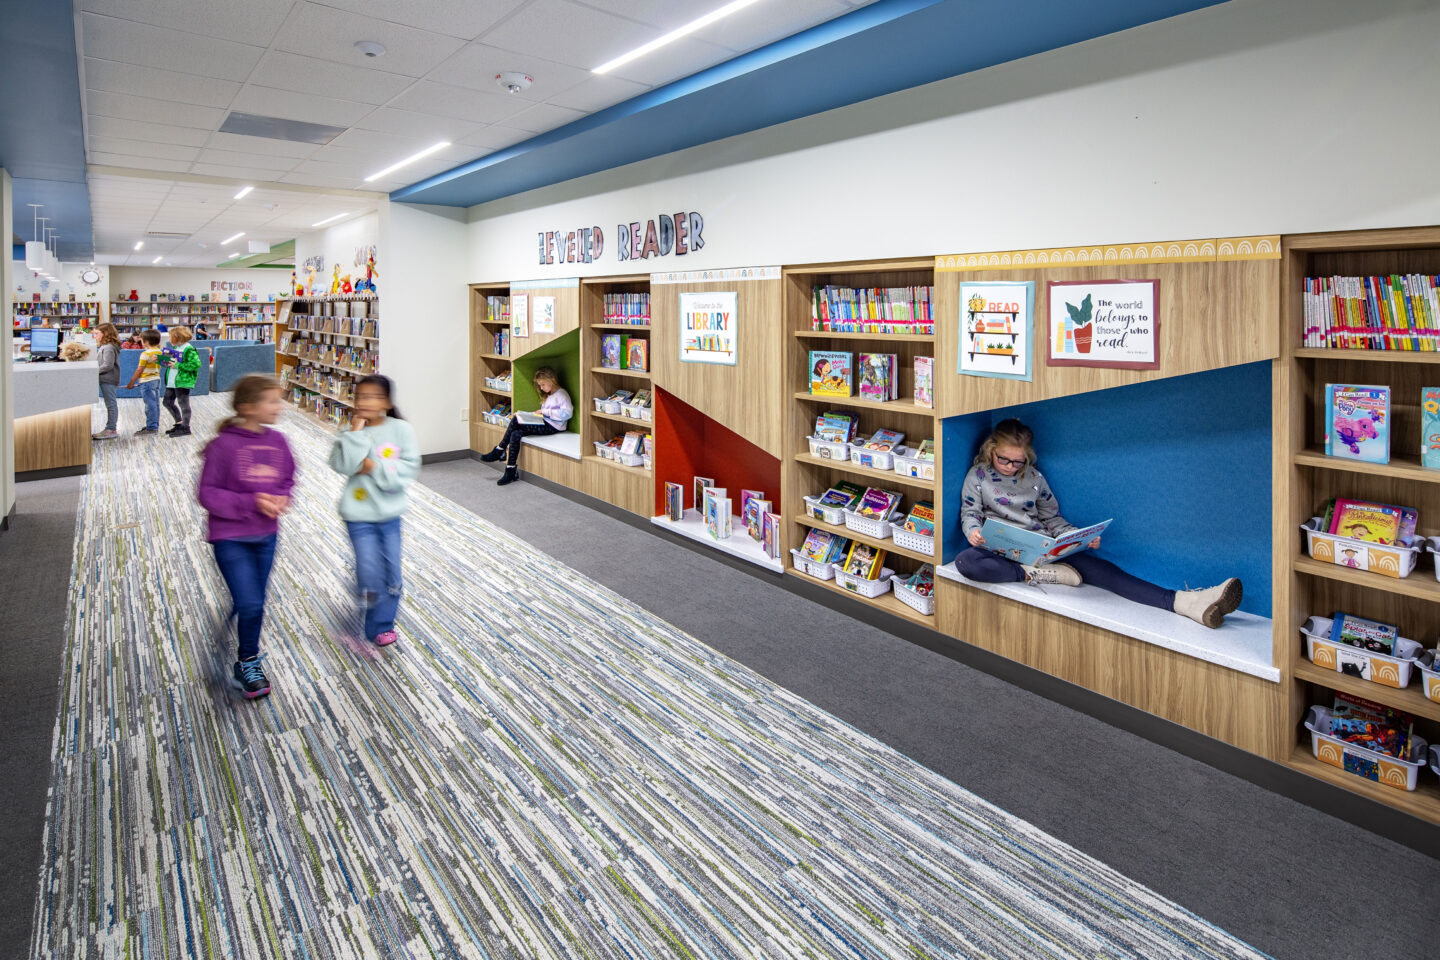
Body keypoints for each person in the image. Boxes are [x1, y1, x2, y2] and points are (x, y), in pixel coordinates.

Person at [954, 418, 1243, 628]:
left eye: (1018, 462)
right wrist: (974, 532)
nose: (1010, 467)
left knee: (1105, 572)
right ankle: (1036, 575)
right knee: (966, 562)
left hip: (1039, 547)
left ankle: (1186, 602)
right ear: (991, 450)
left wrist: (1076, 537)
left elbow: (1051, 517)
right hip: (999, 550)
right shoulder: (978, 476)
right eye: (1004, 460)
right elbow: (970, 514)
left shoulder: (1034, 478)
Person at [196, 375, 296, 699]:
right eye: (272, 401)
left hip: (266, 535)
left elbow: (287, 477)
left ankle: (246, 657)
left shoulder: (278, 441)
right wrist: (251, 501)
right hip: (231, 536)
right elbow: (207, 493)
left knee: (255, 603)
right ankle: (248, 660)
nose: (279, 407)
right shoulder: (223, 445)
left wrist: (282, 496)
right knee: (249, 601)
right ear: (247, 407)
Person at [328, 374, 420, 647]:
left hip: (390, 514)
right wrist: (355, 434)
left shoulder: (401, 430)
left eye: (373, 396)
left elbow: (408, 469)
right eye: (361, 396)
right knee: (368, 569)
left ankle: (382, 623)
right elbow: (342, 465)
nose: (365, 402)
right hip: (358, 514)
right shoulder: (351, 430)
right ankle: (370, 609)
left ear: (387, 402)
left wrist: (372, 467)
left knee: (391, 572)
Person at [479, 365, 572, 486]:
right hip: (545, 422)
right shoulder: (549, 395)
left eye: (543, 384)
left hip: (554, 426)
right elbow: (545, 413)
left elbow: (567, 413)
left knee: (516, 420)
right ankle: (510, 470)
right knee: (515, 433)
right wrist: (531, 414)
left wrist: (545, 412)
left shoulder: (562, 395)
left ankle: (500, 449)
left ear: (552, 380)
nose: (541, 388)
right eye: (540, 385)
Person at [159, 325, 201, 437]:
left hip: (182, 381)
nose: (169, 339)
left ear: (178, 337)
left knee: (184, 404)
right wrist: (161, 360)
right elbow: (172, 363)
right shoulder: (177, 348)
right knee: (167, 402)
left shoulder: (189, 349)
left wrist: (177, 365)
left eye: (171, 337)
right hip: (172, 381)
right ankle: (179, 423)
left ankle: (185, 427)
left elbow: (196, 364)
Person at [123, 329, 164, 436]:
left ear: (146, 342)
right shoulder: (159, 352)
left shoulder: (145, 354)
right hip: (156, 379)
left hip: (147, 381)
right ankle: (154, 424)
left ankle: (151, 427)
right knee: (155, 404)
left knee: (149, 405)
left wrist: (131, 382)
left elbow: (139, 370)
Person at [92, 323, 122, 440]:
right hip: (106, 378)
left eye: (97, 333)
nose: (95, 336)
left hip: (108, 378)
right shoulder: (106, 346)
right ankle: (110, 428)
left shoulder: (108, 347)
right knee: (110, 404)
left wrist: (94, 371)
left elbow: (108, 365)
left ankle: (111, 429)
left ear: (105, 333)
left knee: (111, 404)